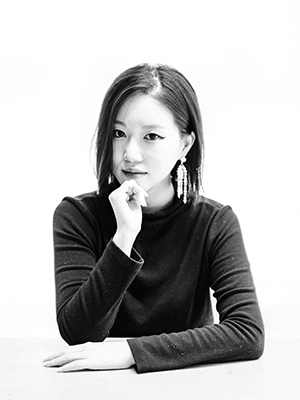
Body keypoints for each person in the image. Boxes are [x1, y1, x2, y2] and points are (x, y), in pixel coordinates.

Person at [43, 63, 264, 373]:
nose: (129, 154)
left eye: (152, 137)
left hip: (190, 386)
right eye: (119, 133)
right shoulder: (77, 216)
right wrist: (124, 238)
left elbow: (246, 334)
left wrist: (130, 353)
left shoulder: (215, 222)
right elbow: (79, 333)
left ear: (185, 144)